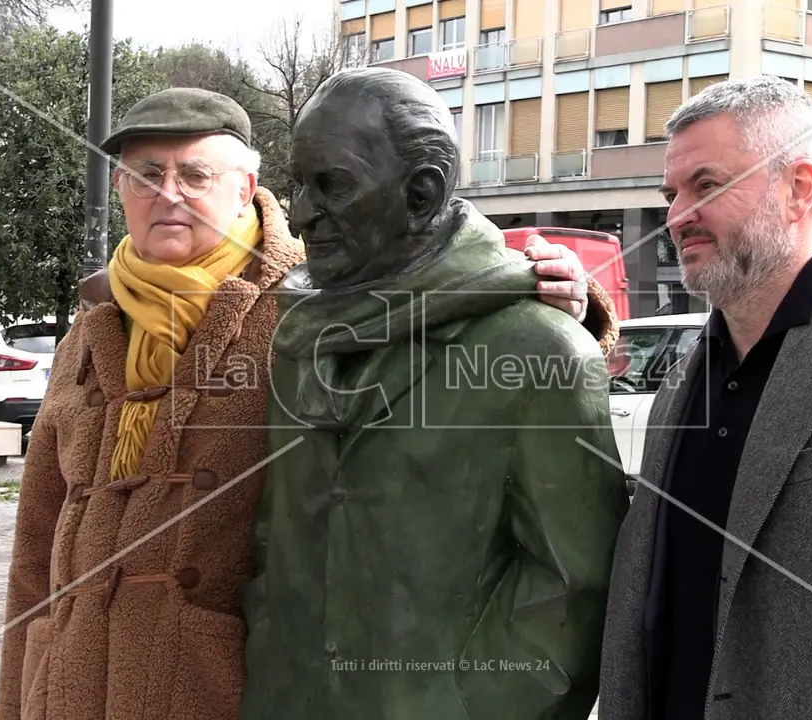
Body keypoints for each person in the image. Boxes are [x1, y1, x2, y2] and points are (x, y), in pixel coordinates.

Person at [0, 87, 618, 720]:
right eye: (144, 175)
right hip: (79, 690)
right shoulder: (93, 325)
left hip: (214, 692)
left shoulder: (303, 300)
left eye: (195, 174)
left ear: (245, 187)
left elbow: (438, 288)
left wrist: (568, 300)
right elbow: (38, 540)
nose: (167, 193)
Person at [237, 66, 630, 719]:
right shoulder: (299, 337)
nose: (300, 214)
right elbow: (275, 533)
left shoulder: (541, 352)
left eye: (331, 186)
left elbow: (573, 588)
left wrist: (465, 707)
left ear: (421, 195)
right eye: (298, 184)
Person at [596, 75, 812, 719]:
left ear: (797, 189)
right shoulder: (685, 378)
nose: (675, 216)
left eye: (706, 186)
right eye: (671, 193)